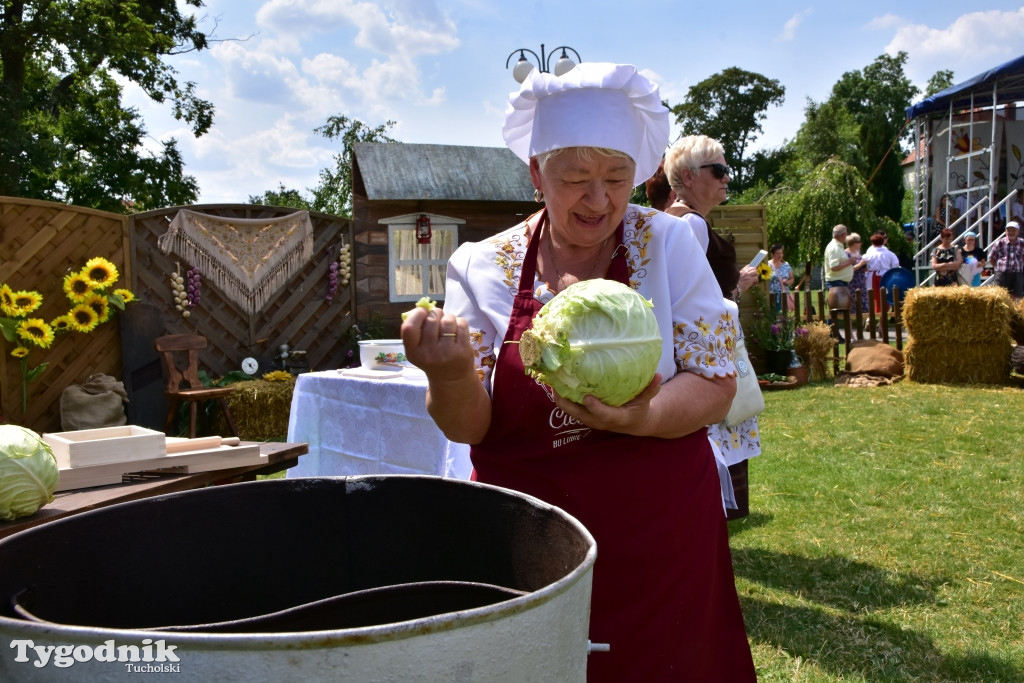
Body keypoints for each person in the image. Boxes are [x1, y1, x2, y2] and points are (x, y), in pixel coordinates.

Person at [401, 63, 756, 681]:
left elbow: (715, 382)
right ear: (536, 173)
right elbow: (469, 426)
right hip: (531, 540)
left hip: (659, 532)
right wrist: (450, 376)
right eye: (575, 179)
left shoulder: (669, 245)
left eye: (617, 178)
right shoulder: (482, 266)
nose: (599, 200)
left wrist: (642, 416)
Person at [663, 135, 762, 523]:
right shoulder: (690, 224)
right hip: (704, 351)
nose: (726, 178)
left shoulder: (682, 220)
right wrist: (739, 287)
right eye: (717, 170)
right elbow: (694, 300)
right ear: (688, 177)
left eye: (726, 169)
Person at [863, 231, 900, 312]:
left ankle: (870, 318)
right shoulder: (890, 254)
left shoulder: (868, 254)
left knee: (872, 297)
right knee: (884, 297)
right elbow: (895, 265)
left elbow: (862, 264)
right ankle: (880, 321)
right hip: (885, 276)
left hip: (871, 277)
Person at [988, 220, 1024, 299]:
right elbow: (991, 258)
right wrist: (998, 268)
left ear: (1018, 232)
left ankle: (1015, 311)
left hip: (1017, 273)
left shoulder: (1022, 243)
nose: (1011, 232)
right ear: (1005, 231)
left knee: (1017, 296)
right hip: (1002, 273)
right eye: (1008, 230)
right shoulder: (999, 243)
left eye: (1013, 231)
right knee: (1000, 296)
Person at [846, 232, 870, 314]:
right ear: (854, 243)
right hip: (852, 283)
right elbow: (848, 270)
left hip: (861, 281)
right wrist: (860, 265)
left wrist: (864, 268)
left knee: (864, 303)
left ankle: (865, 323)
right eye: (859, 242)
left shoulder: (858, 252)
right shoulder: (846, 254)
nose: (861, 243)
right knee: (852, 304)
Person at [767, 243, 794, 313]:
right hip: (772, 296)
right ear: (772, 254)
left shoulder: (786, 265)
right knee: (773, 316)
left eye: (781, 253)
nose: (780, 255)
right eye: (777, 253)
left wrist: (787, 282)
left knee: (784, 317)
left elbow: (792, 278)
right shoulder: (767, 265)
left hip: (784, 295)